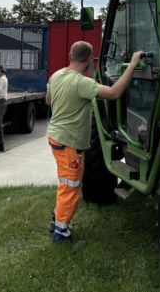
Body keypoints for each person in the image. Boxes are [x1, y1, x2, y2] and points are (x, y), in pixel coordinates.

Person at [46, 41, 143, 243]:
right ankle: (61, 232)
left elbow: (48, 100)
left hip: (56, 137)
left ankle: (57, 219)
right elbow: (114, 93)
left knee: (67, 182)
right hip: (68, 142)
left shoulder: (57, 75)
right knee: (71, 185)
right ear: (89, 60)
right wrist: (132, 64)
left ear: (71, 55)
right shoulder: (83, 83)